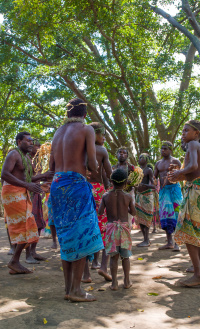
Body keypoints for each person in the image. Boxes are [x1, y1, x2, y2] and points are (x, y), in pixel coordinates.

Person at [49, 98, 104, 302]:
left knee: (65, 235)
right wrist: (95, 171)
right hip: (76, 184)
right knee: (81, 234)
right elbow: (91, 161)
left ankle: (67, 288)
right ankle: (76, 290)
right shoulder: (86, 129)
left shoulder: (58, 132)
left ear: (67, 114)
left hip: (57, 184)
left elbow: (51, 165)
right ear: (85, 114)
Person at [169, 121, 200, 287]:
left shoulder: (193, 144)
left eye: (186, 130)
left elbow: (193, 166)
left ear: (197, 133)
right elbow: (195, 172)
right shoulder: (198, 147)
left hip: (197, 190)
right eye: (182, 131)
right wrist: (179, 174)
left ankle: (197, 273)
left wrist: (179, 172)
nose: (183, 133)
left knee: (188, 229)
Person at [1, 132, 52, 274]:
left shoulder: (26, 157)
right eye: (28, 141)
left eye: (31, 141)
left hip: (21, 191)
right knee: (26, 226)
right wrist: (27, 185)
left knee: (27, 226)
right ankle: (14, 261)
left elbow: (27, 178)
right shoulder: (13, 154)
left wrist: (43, 177)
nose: (30, 143)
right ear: (19, 142)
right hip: (12, 192)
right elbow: (4, 174)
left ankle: (15, 262)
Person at [98, 168, 136, 290]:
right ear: (125, 183)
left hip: (111, 229)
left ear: (111, 182)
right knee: (125, 257)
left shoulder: (106, 196)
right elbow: (134, 213)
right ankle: (127, 281)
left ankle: (114, 283)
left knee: (113, 257)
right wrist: (126, 208)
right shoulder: (128, 196)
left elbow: (100, 212)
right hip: (124, 228)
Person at [85, 122, 112, 283]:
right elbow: (109, 173)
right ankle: (98, 262)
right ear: (94, 134)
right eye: (103, 134)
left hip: (82, 189)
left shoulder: (80, 148)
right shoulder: (101, 150)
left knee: (87, 226)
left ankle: (86, 271)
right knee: (101, 226)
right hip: (98, 191)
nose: (104, 138)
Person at [154, 141, 182, 250]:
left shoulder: (175, 161)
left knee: (177, 214)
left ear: (170, 150)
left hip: (175, 190)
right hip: (164, 191)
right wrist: (153, 182)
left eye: (165, 149)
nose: (163, 150)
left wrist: (171, 177)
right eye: (162, 148)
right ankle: (169, 242)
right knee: (165, 214)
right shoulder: (158, 163)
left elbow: (181, 175)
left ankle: (177, 242)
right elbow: (154, 177)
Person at [135, 153, 156, 247]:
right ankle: (145, 240)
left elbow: (154, 185)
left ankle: (146, 240)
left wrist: (145, 185)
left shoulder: (148, 170)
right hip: (139, 196)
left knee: (146, 218)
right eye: (139, 157)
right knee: (140, 218)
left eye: (141, 157)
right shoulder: (137, 170)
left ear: (146, 159)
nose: (139, 159)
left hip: (147, 196)